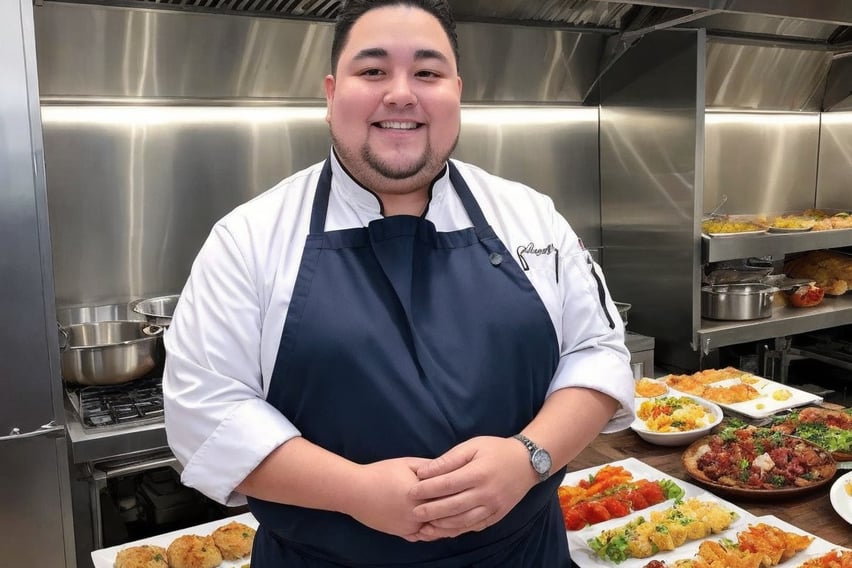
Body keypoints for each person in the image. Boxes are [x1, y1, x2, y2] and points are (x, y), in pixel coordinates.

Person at [162, 0, 635, 566]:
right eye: (373, 71)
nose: (402, 93)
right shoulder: (247, 238)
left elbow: (597, 351)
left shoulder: (532, 217)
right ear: (332, 91)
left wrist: (528, 457)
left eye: (427, 73)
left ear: (456, 91)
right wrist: (354, 490)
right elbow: (205, 414)